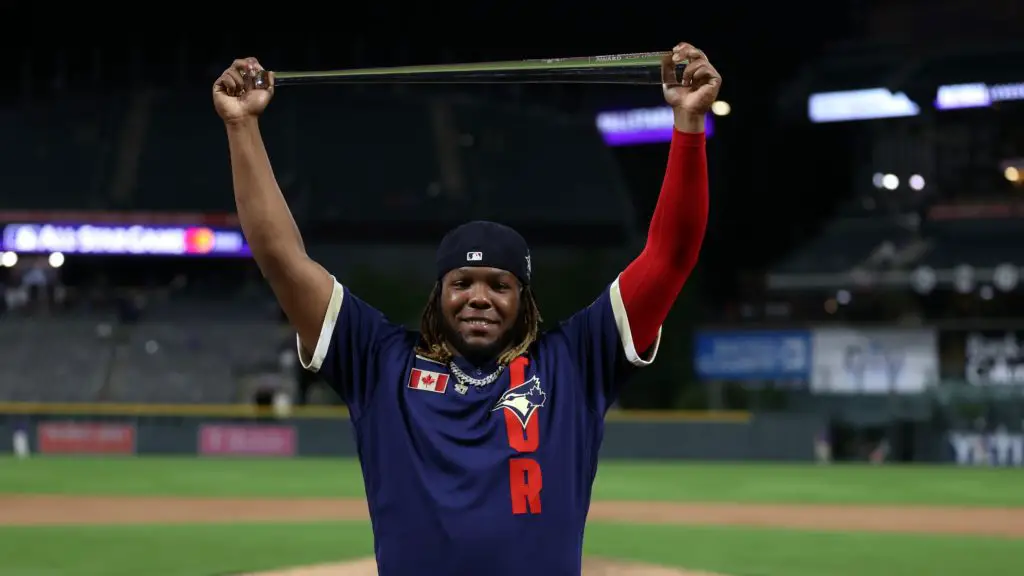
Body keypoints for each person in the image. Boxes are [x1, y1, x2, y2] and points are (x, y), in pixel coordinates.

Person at [213, 42, 717, 576]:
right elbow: (280, 258)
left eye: (500, 284)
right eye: (462, 282)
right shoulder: (378, 362)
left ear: (524, 299)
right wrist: (241, 127)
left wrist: (687, 125)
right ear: (439, 293)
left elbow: (670, 257)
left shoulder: (576, 361)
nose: (479, 296)